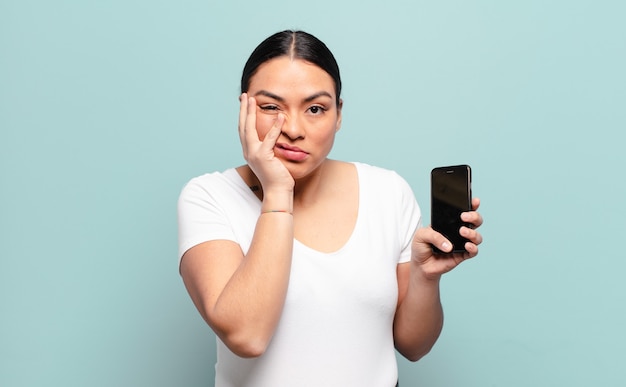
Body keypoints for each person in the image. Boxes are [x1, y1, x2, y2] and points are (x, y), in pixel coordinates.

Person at [177, 30, 484, 387]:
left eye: (316, 109)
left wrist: (426, 278)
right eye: (271, 107)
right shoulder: (209, 196)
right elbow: (247, 336)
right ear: (243, 109)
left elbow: (414, 346)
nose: (292, 128)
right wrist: (278, 191)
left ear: (338, 115)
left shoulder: (388, 192)